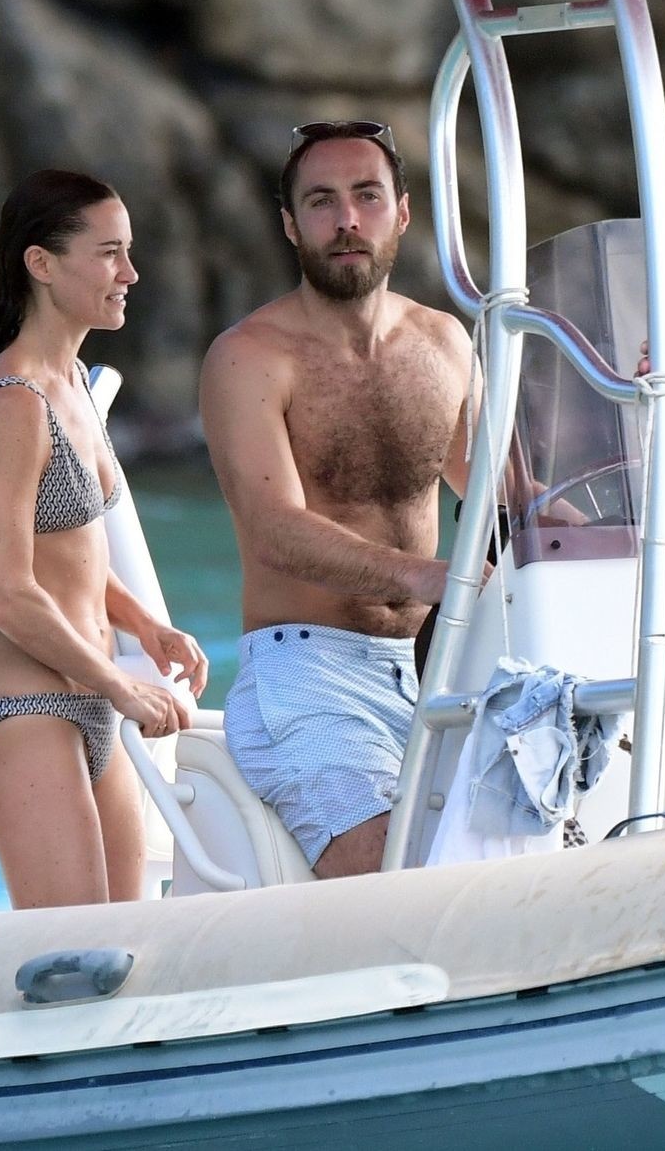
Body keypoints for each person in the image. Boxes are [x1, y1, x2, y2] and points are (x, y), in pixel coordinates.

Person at [200, 121, 473, 878]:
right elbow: (274, 529)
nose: (347, 219)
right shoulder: (249, 357)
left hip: (436, 670)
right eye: (321, 201)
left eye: (366, 196)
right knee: (397, 877)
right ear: (291, 225)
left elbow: (505, 493)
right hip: (308, 678)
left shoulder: (446, 343)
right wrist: (424, 576)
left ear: (402, 212)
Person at [0, 169, 209, 908]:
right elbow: (6, 590)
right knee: (77, 951)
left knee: (123, 944)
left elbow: (70, 555)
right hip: (27, 715)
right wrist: (119, 682)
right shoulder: (10, 400)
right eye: (109, 253)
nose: (130, 273)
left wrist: (145, 626)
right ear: (42, 263)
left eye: (129, 252)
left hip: (92, 709)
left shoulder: (75, 388)